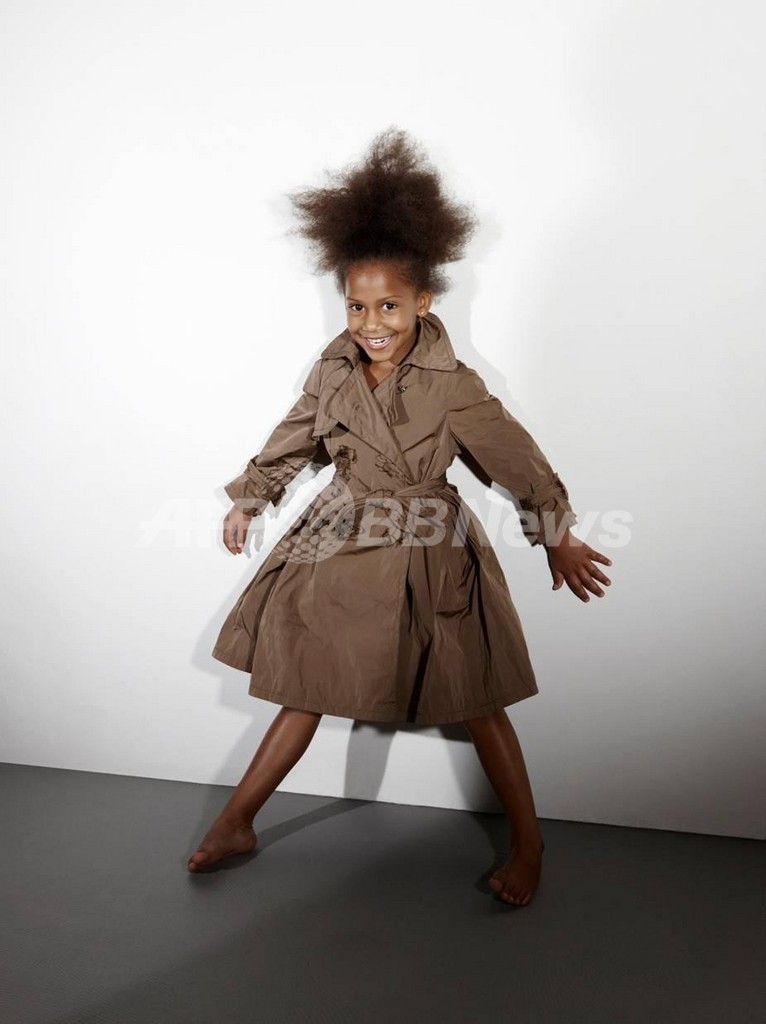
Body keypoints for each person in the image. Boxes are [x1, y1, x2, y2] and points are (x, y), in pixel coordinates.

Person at [187, 127, 613, 906]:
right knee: (305, 683)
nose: (371, 321)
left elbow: (516, 460)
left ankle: (529, 841)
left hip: (427, 550)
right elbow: (297, 435)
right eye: (356, 305)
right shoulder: (333, 367)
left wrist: (557, 535)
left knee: (477, 700)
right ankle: (237, 820)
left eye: (388, 304)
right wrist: (254, 493)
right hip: (338, 537)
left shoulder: (453, 385)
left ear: (423, 301)